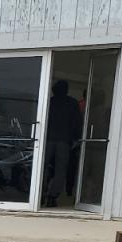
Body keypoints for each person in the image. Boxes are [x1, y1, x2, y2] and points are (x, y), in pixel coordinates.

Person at [44, 79, 82, 207]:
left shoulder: (49, 102)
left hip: (48, 139)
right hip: (64, 141)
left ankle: (40, 192)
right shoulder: (72, 103)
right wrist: (76, 138)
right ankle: (52, 196)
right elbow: (77, 122)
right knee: (60, 170)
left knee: (43, 167)